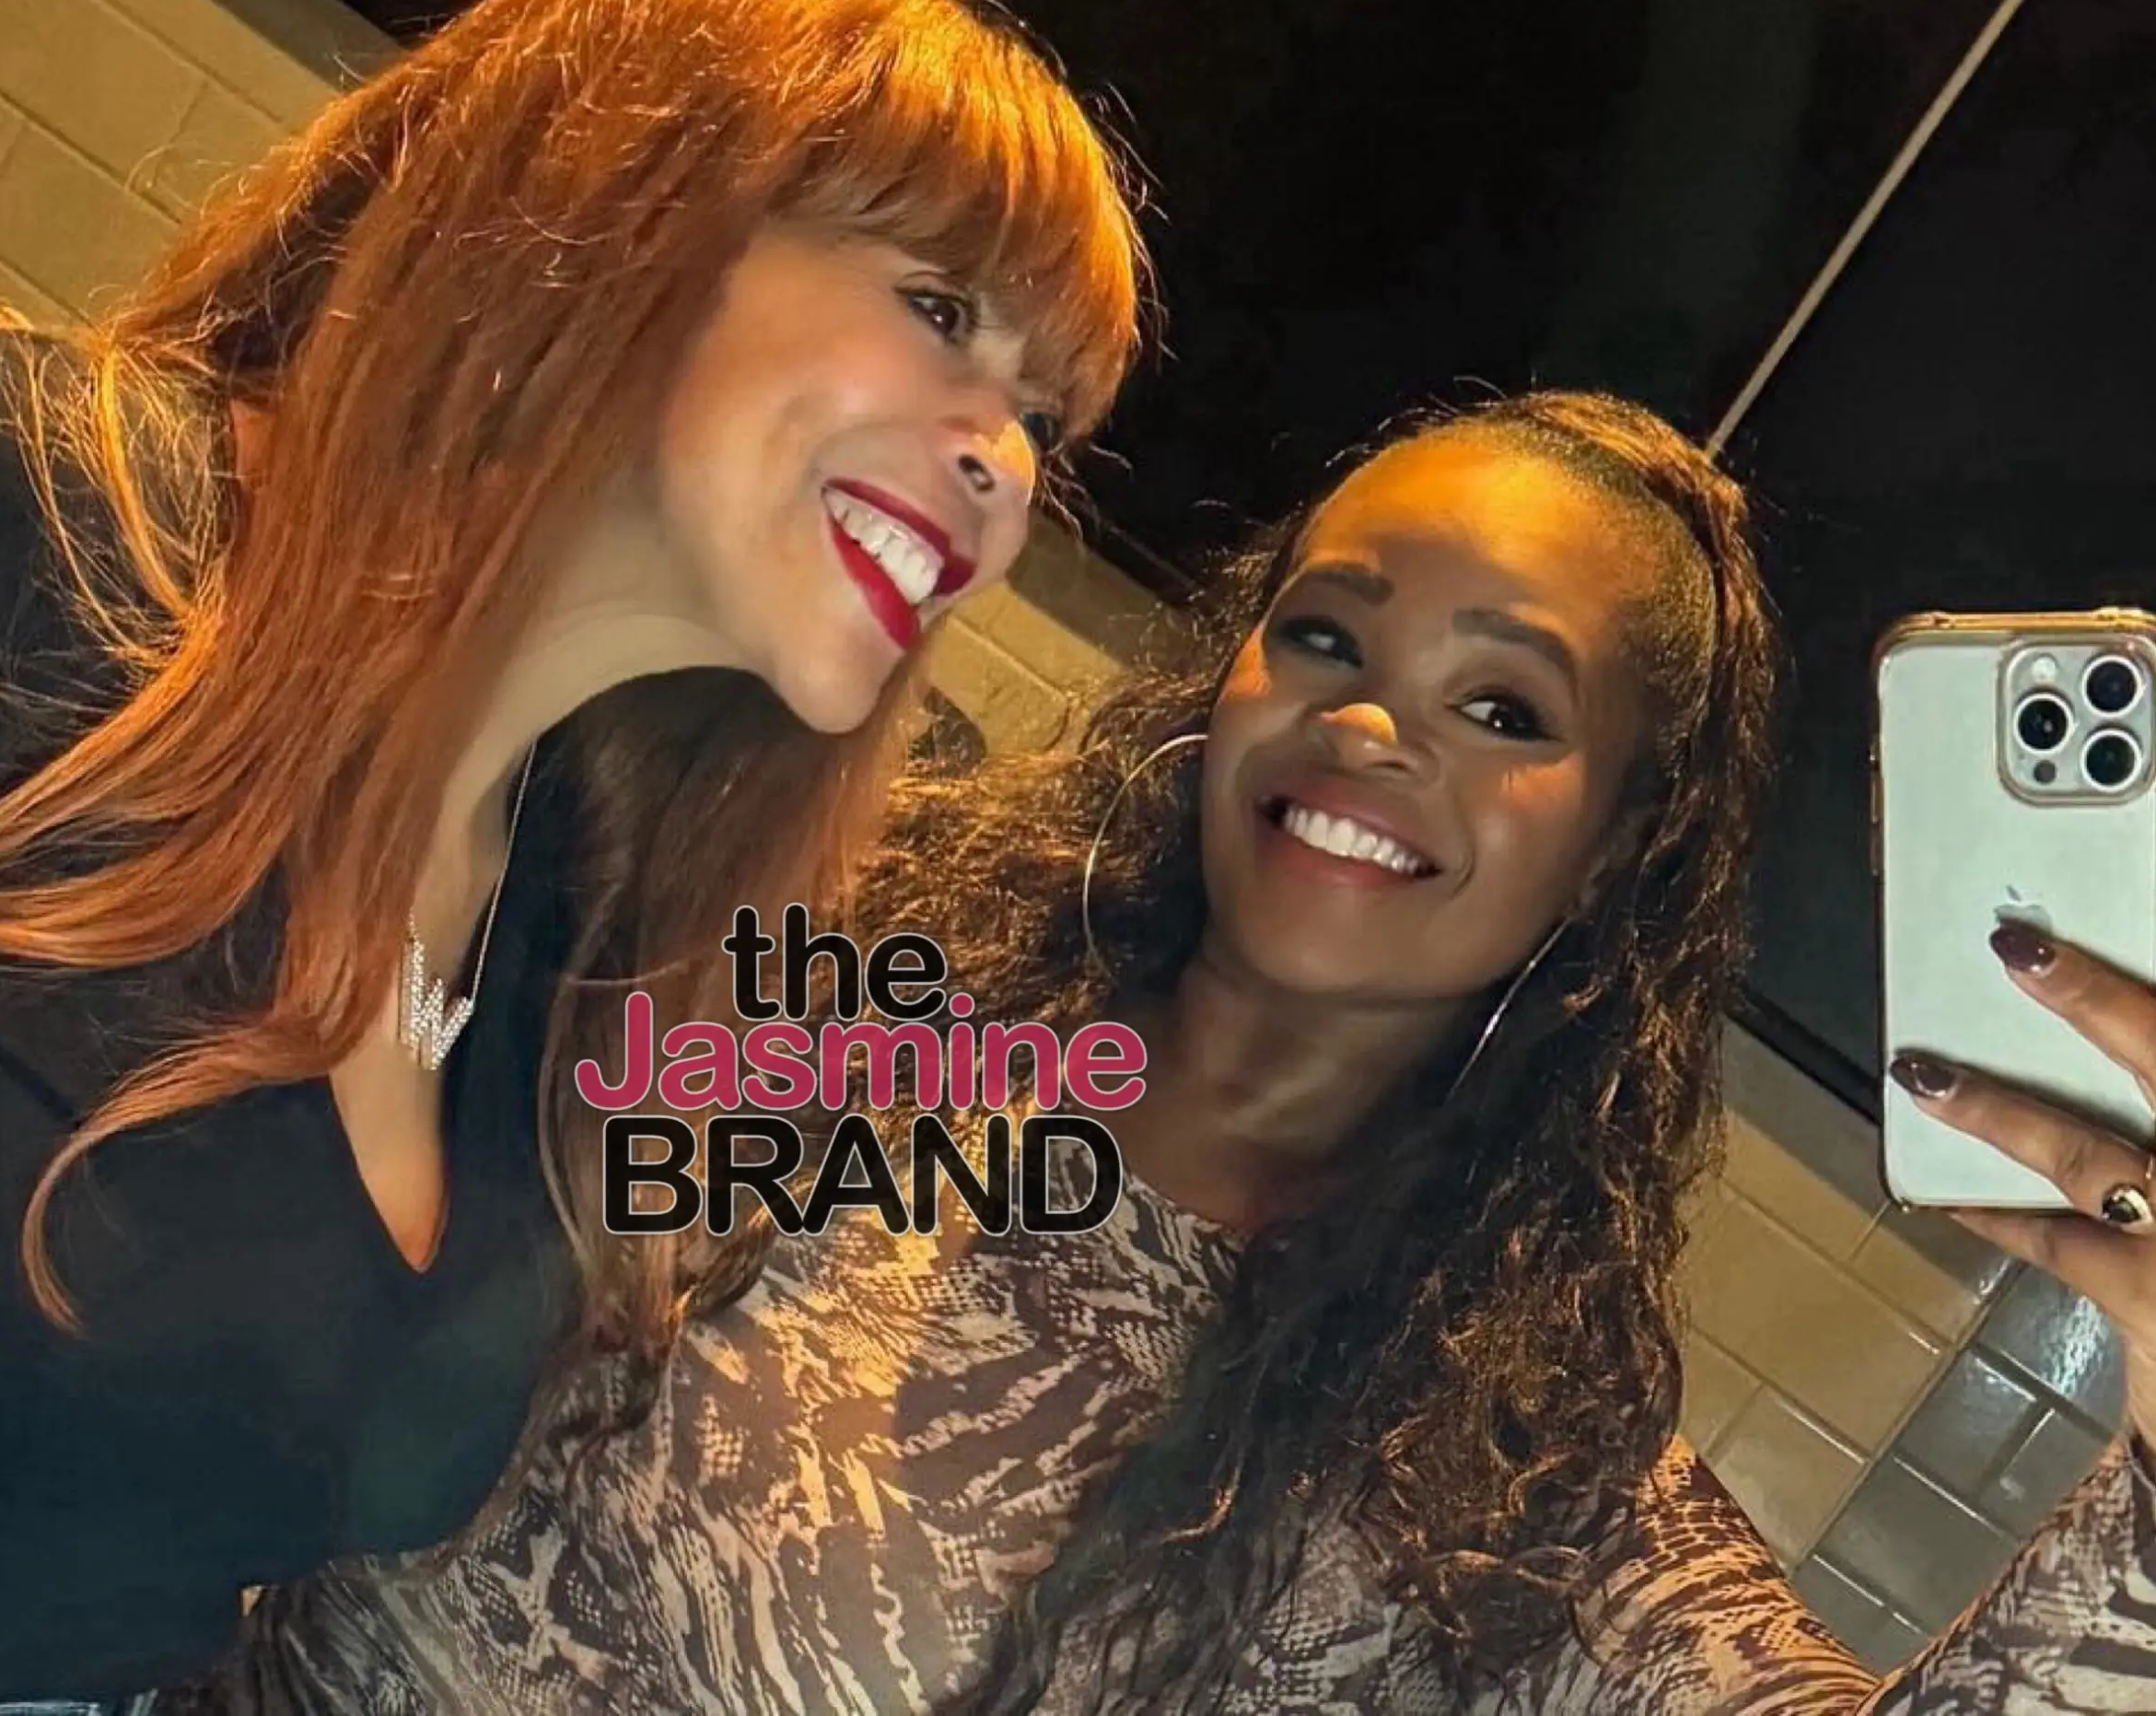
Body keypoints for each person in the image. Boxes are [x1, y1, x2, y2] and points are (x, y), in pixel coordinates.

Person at [206, 391, 2156, 1712]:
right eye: (1326, 636)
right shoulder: (854, 963)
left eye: (1501, 706)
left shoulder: (1500, 1488)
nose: (1371, 724)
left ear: (1618, 853)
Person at [0, 0, 1146, 1714]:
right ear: (633, 201)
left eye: (1044, 416)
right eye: (940, 312)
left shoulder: (567, 917)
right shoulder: (9, 500)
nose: (1004, 461)